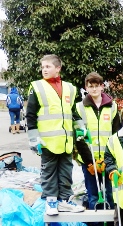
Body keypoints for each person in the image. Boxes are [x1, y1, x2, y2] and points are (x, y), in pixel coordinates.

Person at [26, 54, 85, 216]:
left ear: (58, 68)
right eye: (43, 67)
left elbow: (72, 112)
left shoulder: (70, 88)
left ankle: (65, 201)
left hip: (66, 141)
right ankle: (51, 202)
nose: (44, 70)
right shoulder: (37, 87)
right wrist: (33, 138)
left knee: (66, 172)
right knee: (49, 173)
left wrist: (81, 127)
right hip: (47, 141)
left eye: (48, 67)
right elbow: (30, 115)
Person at [75, 72, 120, 220]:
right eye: (90, 86)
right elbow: (79, 137)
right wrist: (89, 162)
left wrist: (108, 159)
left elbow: (116, 135)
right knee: (93, 194)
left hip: (108, 160)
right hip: (89, 161)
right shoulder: (79, 108)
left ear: (102, 86)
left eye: (97, 86)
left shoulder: (112, 107)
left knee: (110, 194)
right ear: (86, 88)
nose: (94, 89)